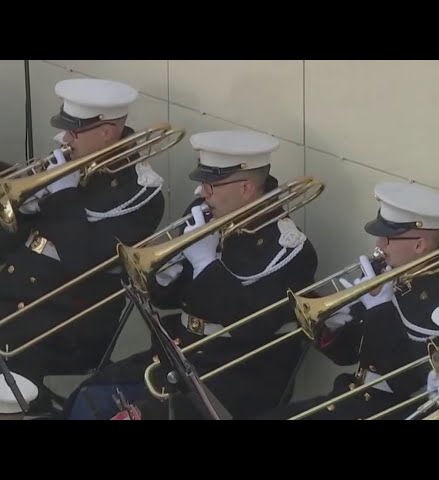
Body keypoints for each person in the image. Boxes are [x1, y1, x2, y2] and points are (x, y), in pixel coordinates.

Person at [62, 129, 319, 420]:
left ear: (246, 187)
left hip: (235, 373)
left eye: (211, 185)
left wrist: (206, 264)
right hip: (179, 353)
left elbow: (250, 327)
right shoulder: (205, 213)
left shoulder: (288, 249)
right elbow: (172, 301)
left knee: (134, 416)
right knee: (89, 397)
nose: (201, 192)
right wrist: (163, 277)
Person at [0, 77, 166, 412]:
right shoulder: (65, 166)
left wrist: (64, 196)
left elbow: (86, 263)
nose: (64, 138)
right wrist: (18, 216)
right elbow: (15, 246)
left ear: (106, 132)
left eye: (74, 131)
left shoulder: (140, 193)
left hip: (66, 320)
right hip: (15, 296)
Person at [260, 181, 439, 420]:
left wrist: (379, 309)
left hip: (394, 410)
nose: (379, 244)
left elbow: (405, 382)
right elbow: (348, 356)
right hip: (352, 395)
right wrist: (332, 325)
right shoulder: (381, 269)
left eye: (389, 238)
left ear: (419, 244)